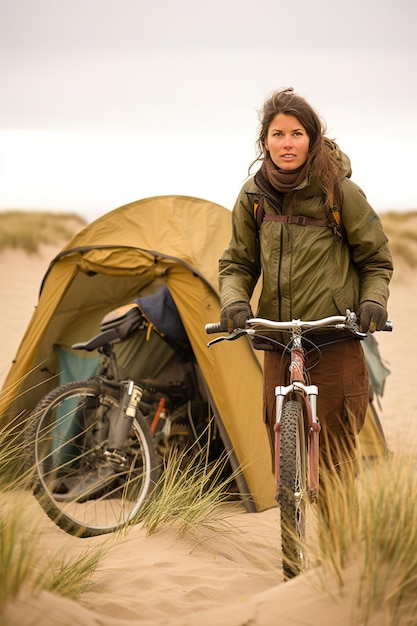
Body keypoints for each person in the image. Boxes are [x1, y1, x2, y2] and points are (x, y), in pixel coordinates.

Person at [218, 87, 393, 475]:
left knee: (335, 466)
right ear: (264, 140)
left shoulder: (340, 192)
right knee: (284, 460)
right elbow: (238, 263)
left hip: (333, 337)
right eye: (278, 134)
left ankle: (338, 537)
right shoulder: (252, 196)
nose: (287, 143)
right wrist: (234, 300)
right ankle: (291, 530)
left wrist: (373, 302)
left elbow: (376, 259)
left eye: (296, 133)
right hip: (278, 341)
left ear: (312, 138)